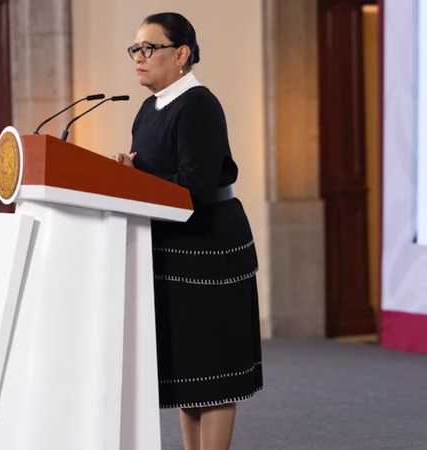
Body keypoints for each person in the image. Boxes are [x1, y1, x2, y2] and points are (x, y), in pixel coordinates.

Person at [113, 12, 263, 450]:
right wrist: (129, 174)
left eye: (149, 48)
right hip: (170, 249)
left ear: (181, 55)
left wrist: (138, 180)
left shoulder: (198, 104)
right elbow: (156, 175)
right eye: (135, 49)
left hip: (210, 250)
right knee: (188, 376)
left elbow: (194, 186)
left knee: (214, 375)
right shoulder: (149, 109)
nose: (139, 57)